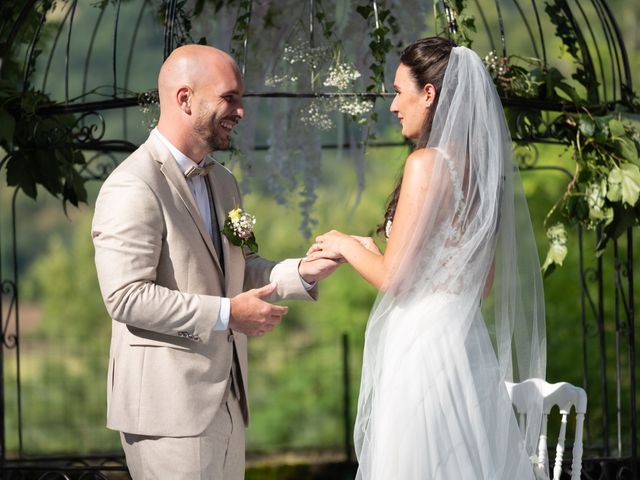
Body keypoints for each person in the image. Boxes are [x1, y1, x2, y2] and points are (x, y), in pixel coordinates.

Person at [91, 44, 340, 480]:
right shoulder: (133, 185)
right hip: (167, 413)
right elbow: (126, 297)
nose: (240, 111)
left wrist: (301, 272)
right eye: (230, 98)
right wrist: (228, 314)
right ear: (185, 99)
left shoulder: (223, 182)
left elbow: (243, 267)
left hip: (228, 401)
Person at [306, 37, 547, 479]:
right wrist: (374, 251)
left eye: (399, 91)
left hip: (420, 347)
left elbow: (393, 281)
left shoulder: (425, 165)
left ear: (429, 94)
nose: (394, 105)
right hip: (463, 342)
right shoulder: (480, 173)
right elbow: (481, 282)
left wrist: (343, 244)